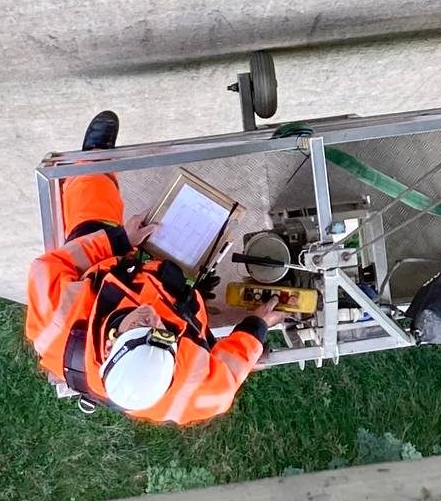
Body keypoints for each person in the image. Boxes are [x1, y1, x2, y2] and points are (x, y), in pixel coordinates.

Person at [24, 110, 273, 424]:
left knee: (91, 216)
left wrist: (118, 240)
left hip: (109, 271)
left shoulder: (56, 324)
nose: (153, 316)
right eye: (165, 333)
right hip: (176, 293)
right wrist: (257, 326)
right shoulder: (188, 391)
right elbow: (227, 377)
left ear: (110, 344)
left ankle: (94, 159)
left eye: (142, 326)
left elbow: (49, 265)